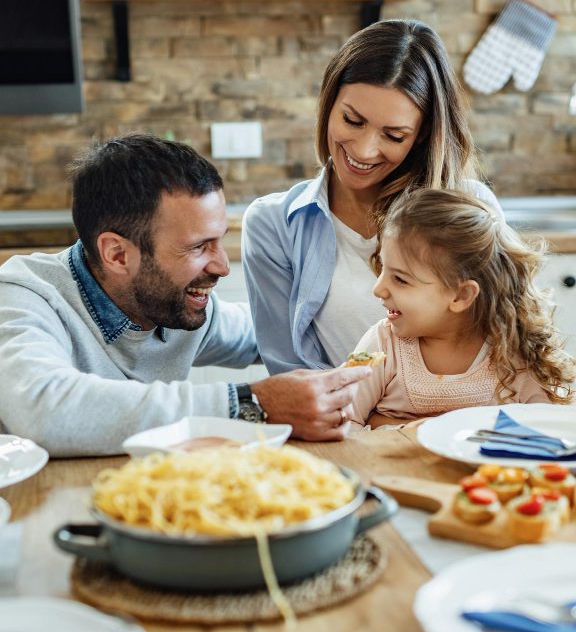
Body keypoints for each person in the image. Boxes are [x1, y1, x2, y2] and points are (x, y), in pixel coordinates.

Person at [0, 134, 371, 457]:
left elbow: (284, 332)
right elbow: (43, 411)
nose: (223, 266)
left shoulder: (180, 309)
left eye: (220, 240)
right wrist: (251, 403)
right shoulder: (22, 296)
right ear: (117, 254)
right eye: (198, 248)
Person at [242, 19, 503, 375]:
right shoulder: (273, 225)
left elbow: (511, 338)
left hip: (457, 423)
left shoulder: (472, 209)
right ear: (328, 103)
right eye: (352, 120)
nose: (365, 151)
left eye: (394, 136)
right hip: (345, 425)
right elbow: (291, 375)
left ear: (423, 135)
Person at [348, 188, 575, 430]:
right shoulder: (383, 344)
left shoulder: (513, 353)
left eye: (401, 280)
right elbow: (345, 422)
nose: (378, 288)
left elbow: (551, 432)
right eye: (383, 268)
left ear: (461, 295)